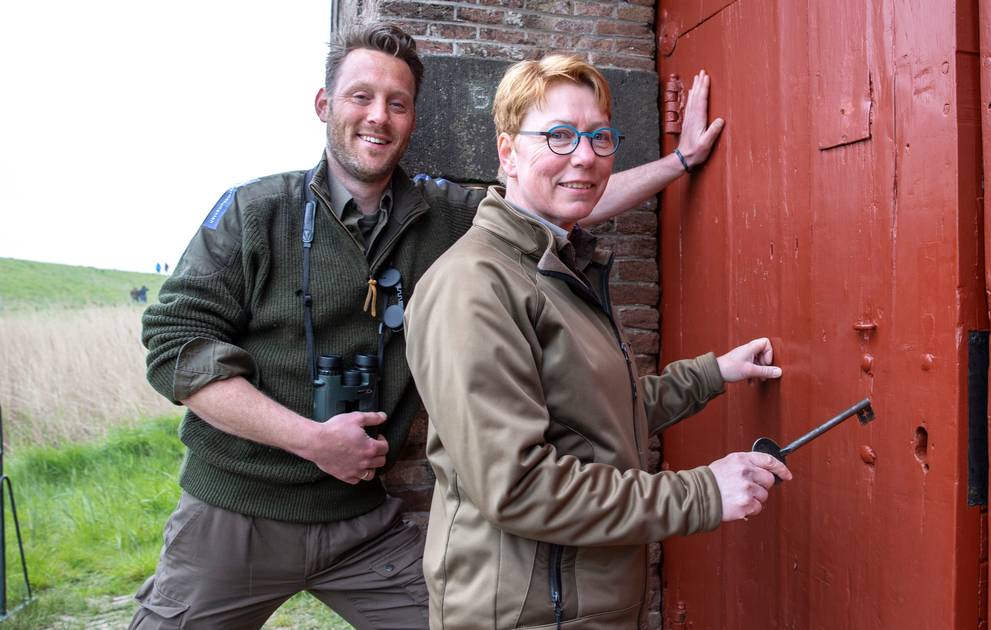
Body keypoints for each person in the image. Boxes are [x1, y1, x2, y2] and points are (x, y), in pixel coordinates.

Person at [133, 20, 725, 630]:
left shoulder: (442, 215)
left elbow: (564, 191)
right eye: (361, 96)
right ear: (324, 105)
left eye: (398, 103)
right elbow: (175, 347)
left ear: (414, 118)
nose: (378, 116)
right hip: (236, 512)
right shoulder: (256, 212)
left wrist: (681, 161)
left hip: (359, 525)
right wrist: (308, 439)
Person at [405, 54, 791, 630]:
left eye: (600, 137)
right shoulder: (473, 286)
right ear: (507, 153)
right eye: (559, 136)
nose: (585, 156)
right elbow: (519, 486)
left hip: (580, 607)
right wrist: (701, 492)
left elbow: (594, 415)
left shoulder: (554, 264)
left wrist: (712, 374)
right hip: (528, 617)